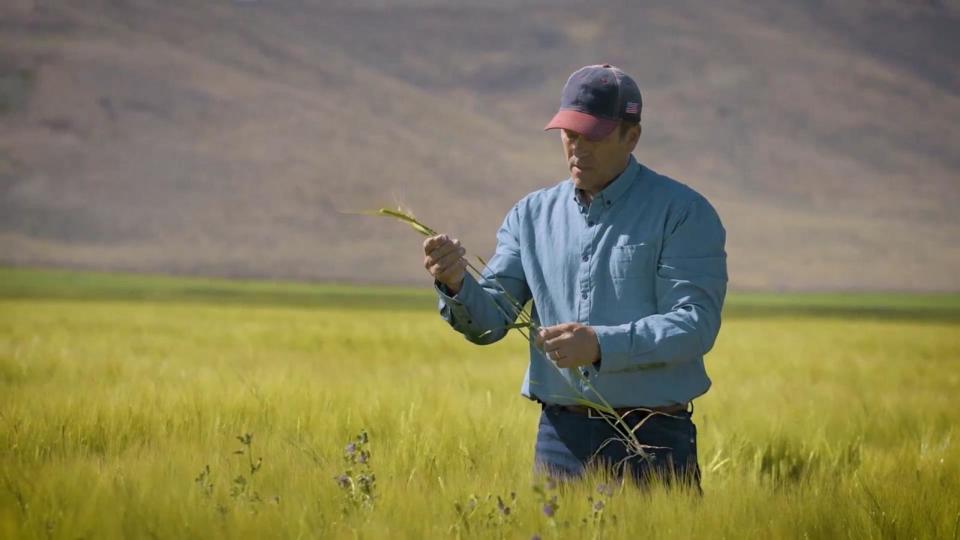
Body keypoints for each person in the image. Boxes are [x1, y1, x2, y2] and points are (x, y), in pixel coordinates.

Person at [423, 64, 727, 489]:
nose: (578, 149)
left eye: (595, 136)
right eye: (570, 134)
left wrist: (602, 345)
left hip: (653, 440)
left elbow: (695, 324)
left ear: (631, 136)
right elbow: (490, 320)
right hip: (558, 440)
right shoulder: (529, 216)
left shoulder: (683, 213)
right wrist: (455, 284)